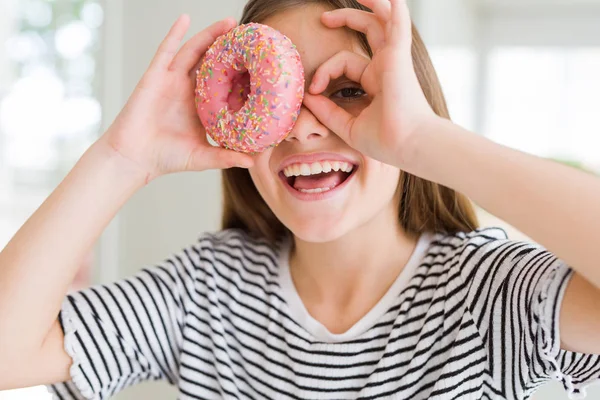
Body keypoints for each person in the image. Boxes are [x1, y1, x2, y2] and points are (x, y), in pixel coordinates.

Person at [1, 0, 599, 399]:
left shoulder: (489, 293)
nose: (301, 130)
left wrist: (422, 141)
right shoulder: (206, 291)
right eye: (270, 98)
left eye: (345, 90)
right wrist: (120, 160)